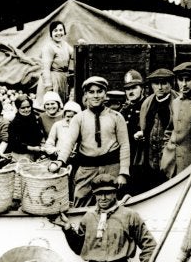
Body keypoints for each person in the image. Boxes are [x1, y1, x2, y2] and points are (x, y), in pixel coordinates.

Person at [49, 76, 130, 208]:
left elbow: (125, 145)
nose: (96, 95)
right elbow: (69, 142)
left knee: (111, 205)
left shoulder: (116, 117)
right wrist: (60, 161)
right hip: (87, 168)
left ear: (105, 93)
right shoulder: (78, 118)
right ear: (86, 94)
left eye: (99, 91)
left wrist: (123, 173)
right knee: (80, 200)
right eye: (91, 92)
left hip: (111, 168)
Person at [134, 68, 178, 192]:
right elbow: (144, 127)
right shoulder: (147, 103)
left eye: (164, 83)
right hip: (149, 156)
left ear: (170, 84)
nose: (160, 87)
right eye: (156, 83)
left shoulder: (177, 102)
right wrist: (142, 133)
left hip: (169, 156)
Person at [119, 70, 146, 195]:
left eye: (134, 88)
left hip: (141, 157)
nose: (130, 91)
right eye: (128, 89)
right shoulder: (125, 109)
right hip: (126, 156)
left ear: (142, 89)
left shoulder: (146, 106)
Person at [35, 21, 74, 107]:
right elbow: (45, 69)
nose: (58, 33)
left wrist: (81, 45)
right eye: (55, 30)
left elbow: (74, 55)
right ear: (51, 33)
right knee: (51, 104)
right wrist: (49, 87)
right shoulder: (48, 47)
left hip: (62, 79)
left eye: (61, 30)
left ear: (64, 32)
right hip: (52, 80)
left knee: (60, 106)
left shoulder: (65, 44)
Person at [6, 94, 46, 161]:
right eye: (23, 108)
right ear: (18, 108)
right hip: (20, 154)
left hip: (37, 152)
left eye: (28, 107)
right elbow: (13, 144)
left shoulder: (35, 119)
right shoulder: (14, 124)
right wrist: (31, 148)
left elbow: (40, 135)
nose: (26, 110)